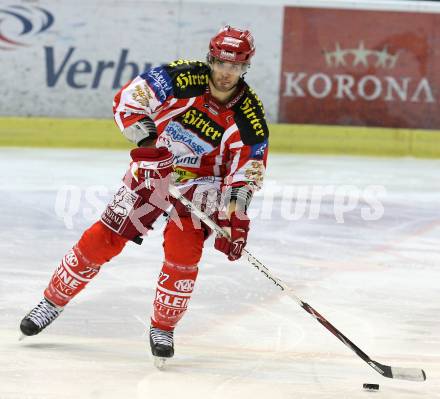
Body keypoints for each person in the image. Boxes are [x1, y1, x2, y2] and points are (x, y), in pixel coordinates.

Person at [20, 25, 269, 363]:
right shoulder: (179, 78)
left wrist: (235, 215)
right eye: (221, 64)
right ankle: (51, 302)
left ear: (245, 68)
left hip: (204, 183)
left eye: (236, 67)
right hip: (154, 168)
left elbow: (246, 171)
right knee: (106, 236)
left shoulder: (249, 116)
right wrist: (150, 148)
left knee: (185, 248)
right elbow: (128, 100)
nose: (227, 74)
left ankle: (163, 327)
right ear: (210, 59)